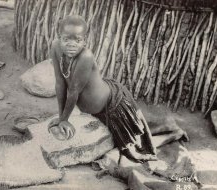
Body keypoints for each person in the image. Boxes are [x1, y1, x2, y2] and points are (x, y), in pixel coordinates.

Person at [48, 15, 157, 163]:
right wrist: (62, 118)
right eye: (66, 39)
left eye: (77, 40)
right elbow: (60, 82)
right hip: (95, 109)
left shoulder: (85, 57)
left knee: (134, 146)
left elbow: (73, 91)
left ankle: (171, 132)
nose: (71, 45)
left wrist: (64, 120)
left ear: (85, 41)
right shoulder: (55, 47)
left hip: (113, 106)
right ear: (59, 37)